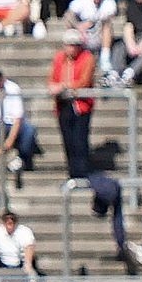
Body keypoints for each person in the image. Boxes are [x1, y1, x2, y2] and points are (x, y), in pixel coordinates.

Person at [49, 30, 96, 178]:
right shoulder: (59, 58)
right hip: (63, 104)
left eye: (74, 45)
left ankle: (81, 173)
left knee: (79, 140)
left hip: (81, 105)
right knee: (68, 140)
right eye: (68, 45)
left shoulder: (87, 58)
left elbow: (84, 81)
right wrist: (54, 87)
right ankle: (72, 173)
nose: (71, 48)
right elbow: (53, 78)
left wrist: (64, 86)